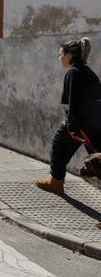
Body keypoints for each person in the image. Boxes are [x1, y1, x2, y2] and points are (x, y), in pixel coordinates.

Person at [37, 37, 101, 194]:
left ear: (69, 56)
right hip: (95, 123)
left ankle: (55, 182)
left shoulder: (73, 72)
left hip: (80, 122)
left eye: (60, 54)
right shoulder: (87, 72)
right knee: (98, 161)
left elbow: (75, 101)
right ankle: (56, 181)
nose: (59, 58)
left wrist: (72, 126)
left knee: (58, 145)